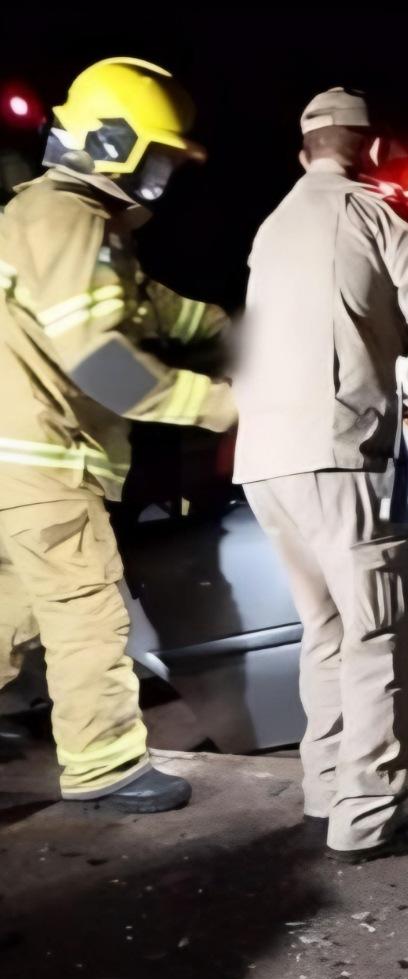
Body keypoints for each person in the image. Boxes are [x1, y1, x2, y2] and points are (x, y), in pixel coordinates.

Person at [232, 88, 408, 863]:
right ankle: (370, 819)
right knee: (380, 640)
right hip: (336, 458)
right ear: (373, 149)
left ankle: (326, 788)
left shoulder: (270, 226)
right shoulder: (372, 213)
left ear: (305, 152)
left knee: (325, 631)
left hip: (265, 463)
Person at [0, 58, 235, 810]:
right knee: (85, 611)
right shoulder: (72, 217)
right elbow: (103, 361)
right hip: (44, 458)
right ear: (111, 142)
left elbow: (145, 308)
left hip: (17, 459)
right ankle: (105, 767)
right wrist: (221, 405)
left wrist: (231, 326)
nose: (162, 176)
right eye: (157, 157)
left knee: (14, 613)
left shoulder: (56, 215)